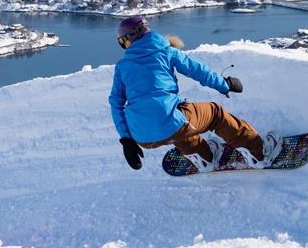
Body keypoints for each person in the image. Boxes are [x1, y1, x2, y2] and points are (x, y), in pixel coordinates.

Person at [108, 15, 281, 172]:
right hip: (168, 122)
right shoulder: (165, 52)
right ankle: (259, 152)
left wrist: (126, 140)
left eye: (125, 42)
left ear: (131, 38)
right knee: (214, 114)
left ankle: (204, 157)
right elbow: (197, 70)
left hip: (141, 137)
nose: (126, 47)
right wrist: (224, 85)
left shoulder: (122, 66)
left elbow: (116, 103)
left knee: (177, 117)